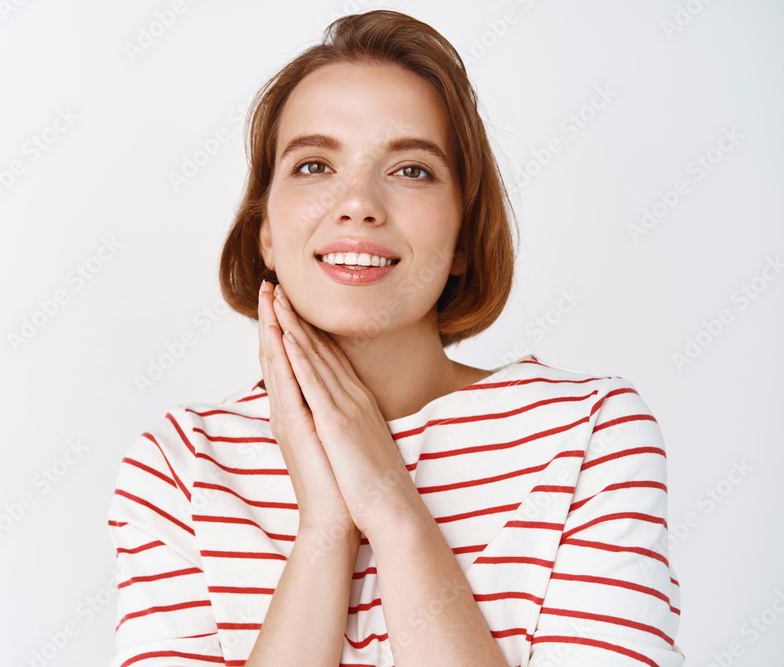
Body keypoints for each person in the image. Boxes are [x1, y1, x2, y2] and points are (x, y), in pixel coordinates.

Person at [108, 9, 683, 666]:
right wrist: (324, 529)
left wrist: (388, 500)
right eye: (314, 165)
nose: (358, 202)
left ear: (464, 236)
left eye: (411, 169)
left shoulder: (588, 435)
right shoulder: (182, 467)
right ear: (264, 229)